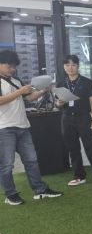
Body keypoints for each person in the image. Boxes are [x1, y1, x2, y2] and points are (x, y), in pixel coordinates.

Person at [0, 50, 63, 205]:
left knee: (32, 161)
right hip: (4, 128)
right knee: (7, 165)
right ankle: (10, 195)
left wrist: (43, 90)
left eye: (14, 66)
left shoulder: (16, 80)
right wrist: (20, 91)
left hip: (23, 126)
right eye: (9, 66)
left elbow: (28, 98)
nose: (12, 69)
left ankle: (40, 190)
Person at [55, 55, 92, 187]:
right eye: (67, 65)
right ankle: (79, 176)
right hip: (67, 118)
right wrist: (59, 103)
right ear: (64, 67)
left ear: (78, 66)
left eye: (73, 65)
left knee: (91, 148)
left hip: (84, 118)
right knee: (73, 149)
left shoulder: (87, 82)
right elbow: (57, 103)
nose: (70, 68)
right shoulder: (61, 84)